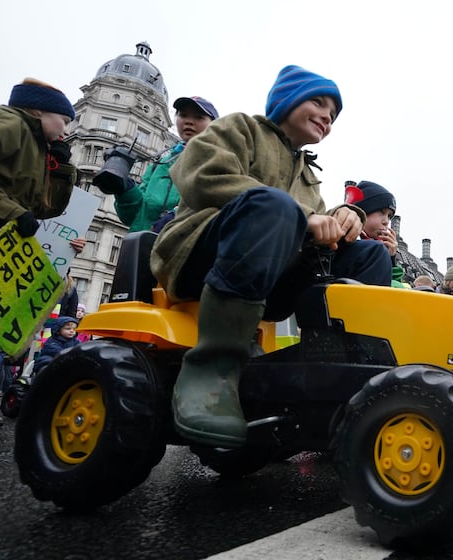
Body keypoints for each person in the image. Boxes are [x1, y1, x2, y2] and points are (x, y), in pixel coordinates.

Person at [149, 65, 391, 448]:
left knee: (370, 256)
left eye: (333, 113)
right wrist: (302, 215)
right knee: (274, 207)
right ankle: (212, 370)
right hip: (202, 254)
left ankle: (346, 380)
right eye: (319, 102)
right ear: (288, 100)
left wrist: (346, 219)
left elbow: (314, 225)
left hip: (272, 272)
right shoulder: (241, 129)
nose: (328, 116)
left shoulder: (307, 174)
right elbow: (199, 173)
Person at [0, 78, 77, 428]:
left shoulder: (39, 151)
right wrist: (10, 211)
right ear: (38, 110)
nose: (67, 128)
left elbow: (47, 207)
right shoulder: (6, 123)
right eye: (64, 120)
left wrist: (62, 166)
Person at [94, 96, 219, 233]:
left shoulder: (218, 160)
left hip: (186, 247)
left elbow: (217, 205)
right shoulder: (159, 163)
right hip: (143, 247)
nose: (189, 121)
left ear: (214, 125)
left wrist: (176, 216)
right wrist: (125, 190)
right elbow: (134, 217)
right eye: (183, 115)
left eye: (199, 117)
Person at [344, 180, 408, 288]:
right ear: (363, 212)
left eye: (389, 216)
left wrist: (391, 259)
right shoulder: (344, 241)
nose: (386, 221)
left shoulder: (379, 246)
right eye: (381, 212)